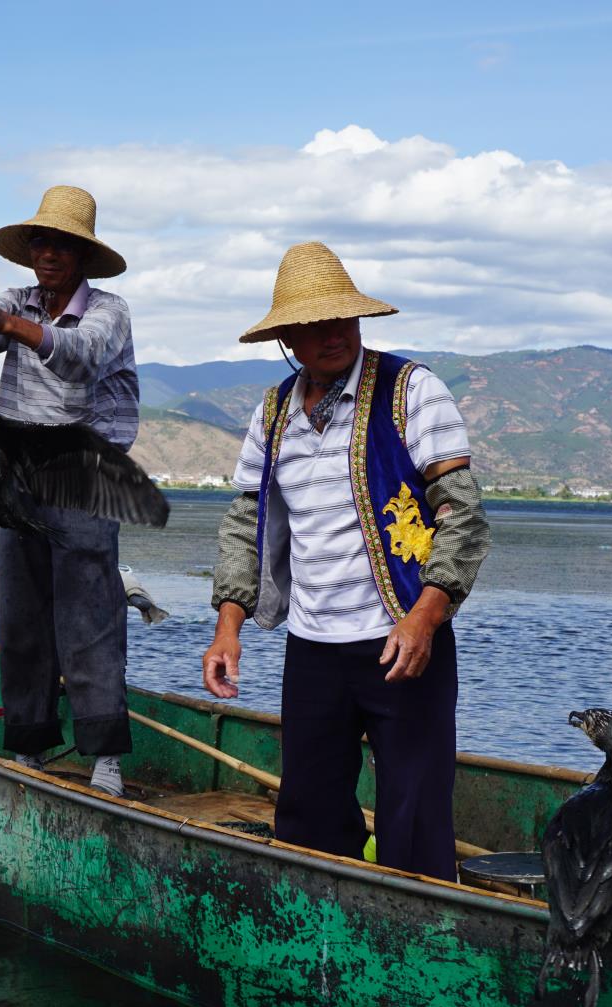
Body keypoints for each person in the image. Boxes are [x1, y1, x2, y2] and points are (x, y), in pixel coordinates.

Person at [200, 241, 491, 879]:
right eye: (310, 324)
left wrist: (424, 617)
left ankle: (421, 954)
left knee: (414, 825)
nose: (329, 333)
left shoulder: (413, 391)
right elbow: (246, 522)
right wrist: (228, 629)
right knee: (308, 820)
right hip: (314, 648)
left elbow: (462, 516)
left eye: (340, 317)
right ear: (287, 338)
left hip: (404, 643)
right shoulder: (273, 412)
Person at [0, 185, 138, 797]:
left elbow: (77, 356)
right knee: (20, 617)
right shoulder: (18, 299)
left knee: (90, 619)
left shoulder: (109, 310)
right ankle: (30, 748)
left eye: (63, 244)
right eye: (42, 241)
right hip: (19, 480)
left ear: (82, 254)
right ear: (32, 251)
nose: (50, 252)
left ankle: (104, 759)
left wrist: (7, 321)